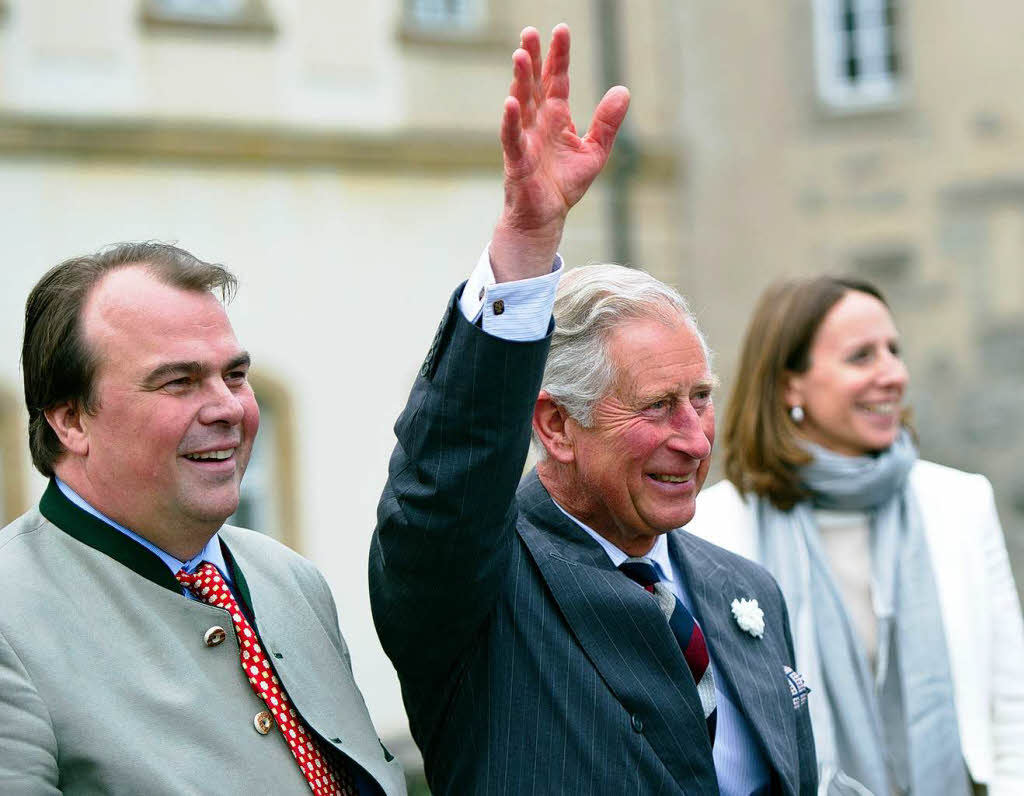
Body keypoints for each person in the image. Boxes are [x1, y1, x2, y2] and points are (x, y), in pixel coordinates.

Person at [369, 24, 817, 795]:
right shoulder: (482, 589)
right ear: (554, 426)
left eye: (700, 399)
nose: (692, 438)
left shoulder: (743, 587)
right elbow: (444, 485)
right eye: (656, 406)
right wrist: (526, 242)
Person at [0, 242, 405, 795]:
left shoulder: (289, 578)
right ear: (71, 420)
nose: (228, 408)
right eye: (179, 382)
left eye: (235, 375)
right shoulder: (11, 616)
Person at [686, 276, 1024, 795]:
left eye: (894, 350)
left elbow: (1012, 699)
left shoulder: (960, 503)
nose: (893, 374)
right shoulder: (713, 526)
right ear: (789, 383)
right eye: (861, 356)